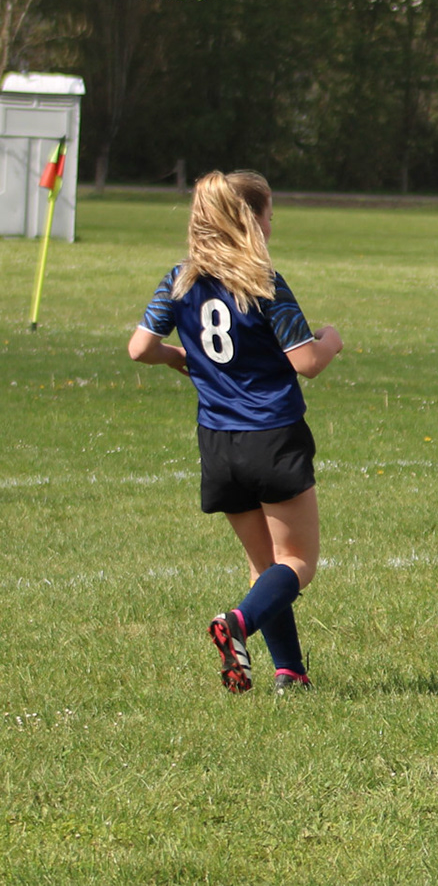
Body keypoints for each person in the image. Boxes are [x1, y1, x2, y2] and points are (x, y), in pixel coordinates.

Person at [127, 170, 344, 694]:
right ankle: (238, 623)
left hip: (218, 443)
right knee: (297, 562)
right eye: (269, 214)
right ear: (250, 219)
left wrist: (180, 359)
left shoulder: (179, 279)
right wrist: (331, 340)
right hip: (272, 435)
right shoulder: (262, 280)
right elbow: (307, 362)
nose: (272, 223)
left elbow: (139, 348)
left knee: (263, 565)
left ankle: (289, 673)